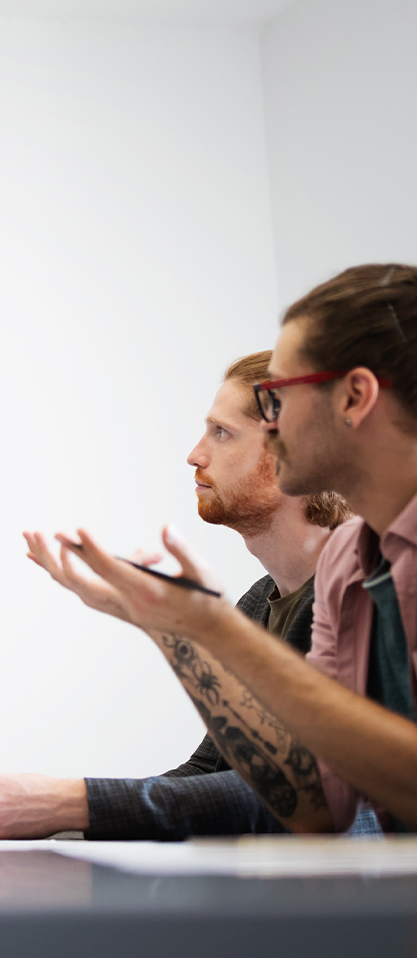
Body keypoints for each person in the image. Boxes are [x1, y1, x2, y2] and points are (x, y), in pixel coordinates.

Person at [64, 264, 417, 834]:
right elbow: (316, 802)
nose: (270, 423)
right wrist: (188, 630)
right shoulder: (354, 560)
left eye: (278, 396)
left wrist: (216, 633)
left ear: (354, 397)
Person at [0, 352, 353, 839]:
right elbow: (211, 775)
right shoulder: (258, 602)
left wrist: (70, 804)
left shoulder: (363, 592)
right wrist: (57, 819)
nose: (195, 455)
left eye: (221, 433)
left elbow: (313, 802)